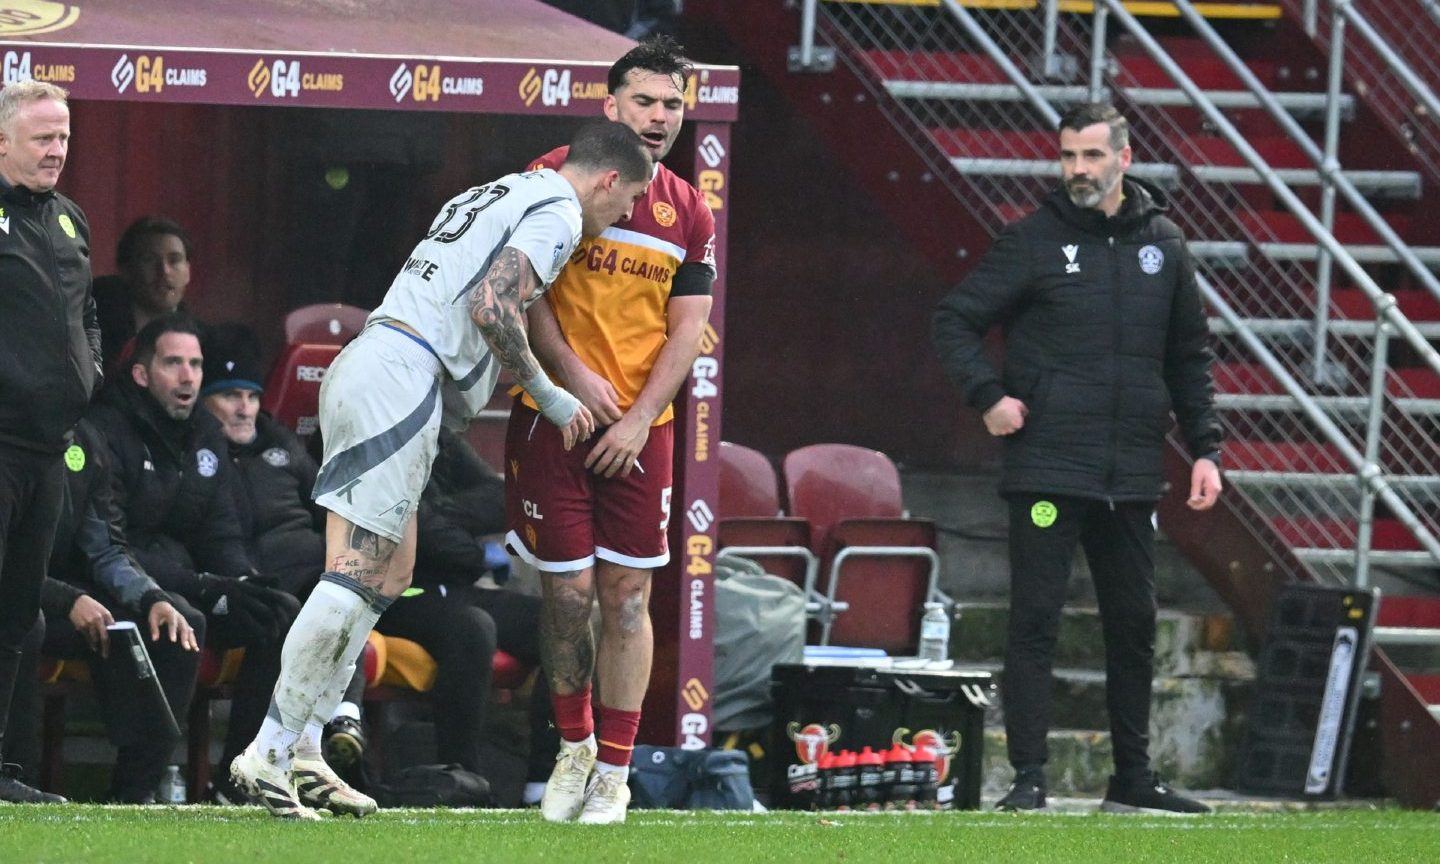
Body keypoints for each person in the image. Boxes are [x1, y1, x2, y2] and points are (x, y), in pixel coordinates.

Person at [229, 119, 652, 820]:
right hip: (401, 378)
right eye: (630, 200)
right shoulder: (557, 213)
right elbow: (492, 303)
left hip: (386, 372)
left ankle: (305, 750)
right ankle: (269, 751)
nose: (627, 216)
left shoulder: (499, 191)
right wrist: (549, 395)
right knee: (356, 573)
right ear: (609, 179)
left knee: (389, 576)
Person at [931, 103, 1223, 815]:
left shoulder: (1165, 246)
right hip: (1048, 469)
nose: (1078, 171)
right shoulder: (1031, 241)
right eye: (1068, 157)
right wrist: (990, 397)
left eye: (1091, 157)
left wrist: (1207, 449)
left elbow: (1189, 357)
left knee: (1135, 624)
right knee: (1035, 620)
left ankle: (1132, 778)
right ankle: (1029, 777)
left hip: (1130, 474)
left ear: (1125, 158)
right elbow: (954, 319)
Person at [506, 36, 717, 825]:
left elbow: (689, 331)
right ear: (611, 104)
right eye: (645, 101)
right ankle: (572, 751)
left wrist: (634, 418)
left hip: (642, 433)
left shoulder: (690, 209)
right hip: (551, 419)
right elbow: (522, 295)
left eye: (672, 104)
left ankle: (615, 775)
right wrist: (569, 378)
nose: (659, 117)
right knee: (565, 594)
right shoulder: (547, 179)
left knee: (628, 599)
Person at [85, 313, 301, 799]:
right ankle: (135, 790)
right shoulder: (107, 429)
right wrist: (207, 588)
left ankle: (239, 778)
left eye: (196, 365)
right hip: (119, 589)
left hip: (190, 581)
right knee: (186, 622)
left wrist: (242, 583)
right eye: (173, 364)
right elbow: (113, 548)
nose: (188, 377)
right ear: (142, 374)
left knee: (276, 612)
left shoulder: (205, 430)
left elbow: (221, 530)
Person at [199, 325, 369, 780]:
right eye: (230, 395)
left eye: (252, 396)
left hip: (310, 573)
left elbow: (329, 507)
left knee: (342, 591)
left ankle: (341, 720)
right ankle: (243, 769)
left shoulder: (280, 445)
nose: (244, 408)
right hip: (249, 588)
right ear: (204, 399)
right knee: (289, 613)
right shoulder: (198, 452)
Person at [8, 418, 203, 803]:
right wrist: (66, 599)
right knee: (25, 624)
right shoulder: (11, 439)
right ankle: (15, 776)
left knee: (178, 623)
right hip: (24, 595)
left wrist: (151, 597)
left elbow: (105, 548)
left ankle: (133, 794)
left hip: (69, 596)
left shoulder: (86, 441)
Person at [0, 79, 100, 804]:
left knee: (16, 612)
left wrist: (89, 370)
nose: (57, 150)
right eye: (43, 138)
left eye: (63, 137)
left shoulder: (70, 221)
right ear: (3, 142)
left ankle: (4, 772)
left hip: (48, 451)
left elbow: (86, 312)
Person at [377, 427, 554, 802]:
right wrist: (471, 551)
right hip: (396, 591)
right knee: (473, 627)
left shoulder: (435, 436)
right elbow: (411, 528)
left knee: (559, 625)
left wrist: (436, 512)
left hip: (456, 585)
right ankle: (462, 777)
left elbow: (503, 498)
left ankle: (544, 783)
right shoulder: (368, 432)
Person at [94, 216, 193, 372]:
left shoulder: (202, 340)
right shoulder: (95, 334)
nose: (164, 272)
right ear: (126, 270)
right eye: (149, 260)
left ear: (188, 272)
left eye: (174, 260)